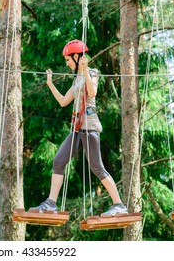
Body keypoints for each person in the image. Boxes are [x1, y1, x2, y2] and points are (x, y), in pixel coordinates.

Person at [30, 39, 127, 216]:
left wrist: (85, 70)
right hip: (77, 128)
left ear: (76, 56)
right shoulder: (76, 80)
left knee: (97, 167)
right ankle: (51, 203)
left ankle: (119, 204)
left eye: (68, 59)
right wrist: (50, 83)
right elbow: (63, 102)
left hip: (89, 127)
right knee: (59, 161)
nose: (67, 64)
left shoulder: (92, 73)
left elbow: (93, 92)